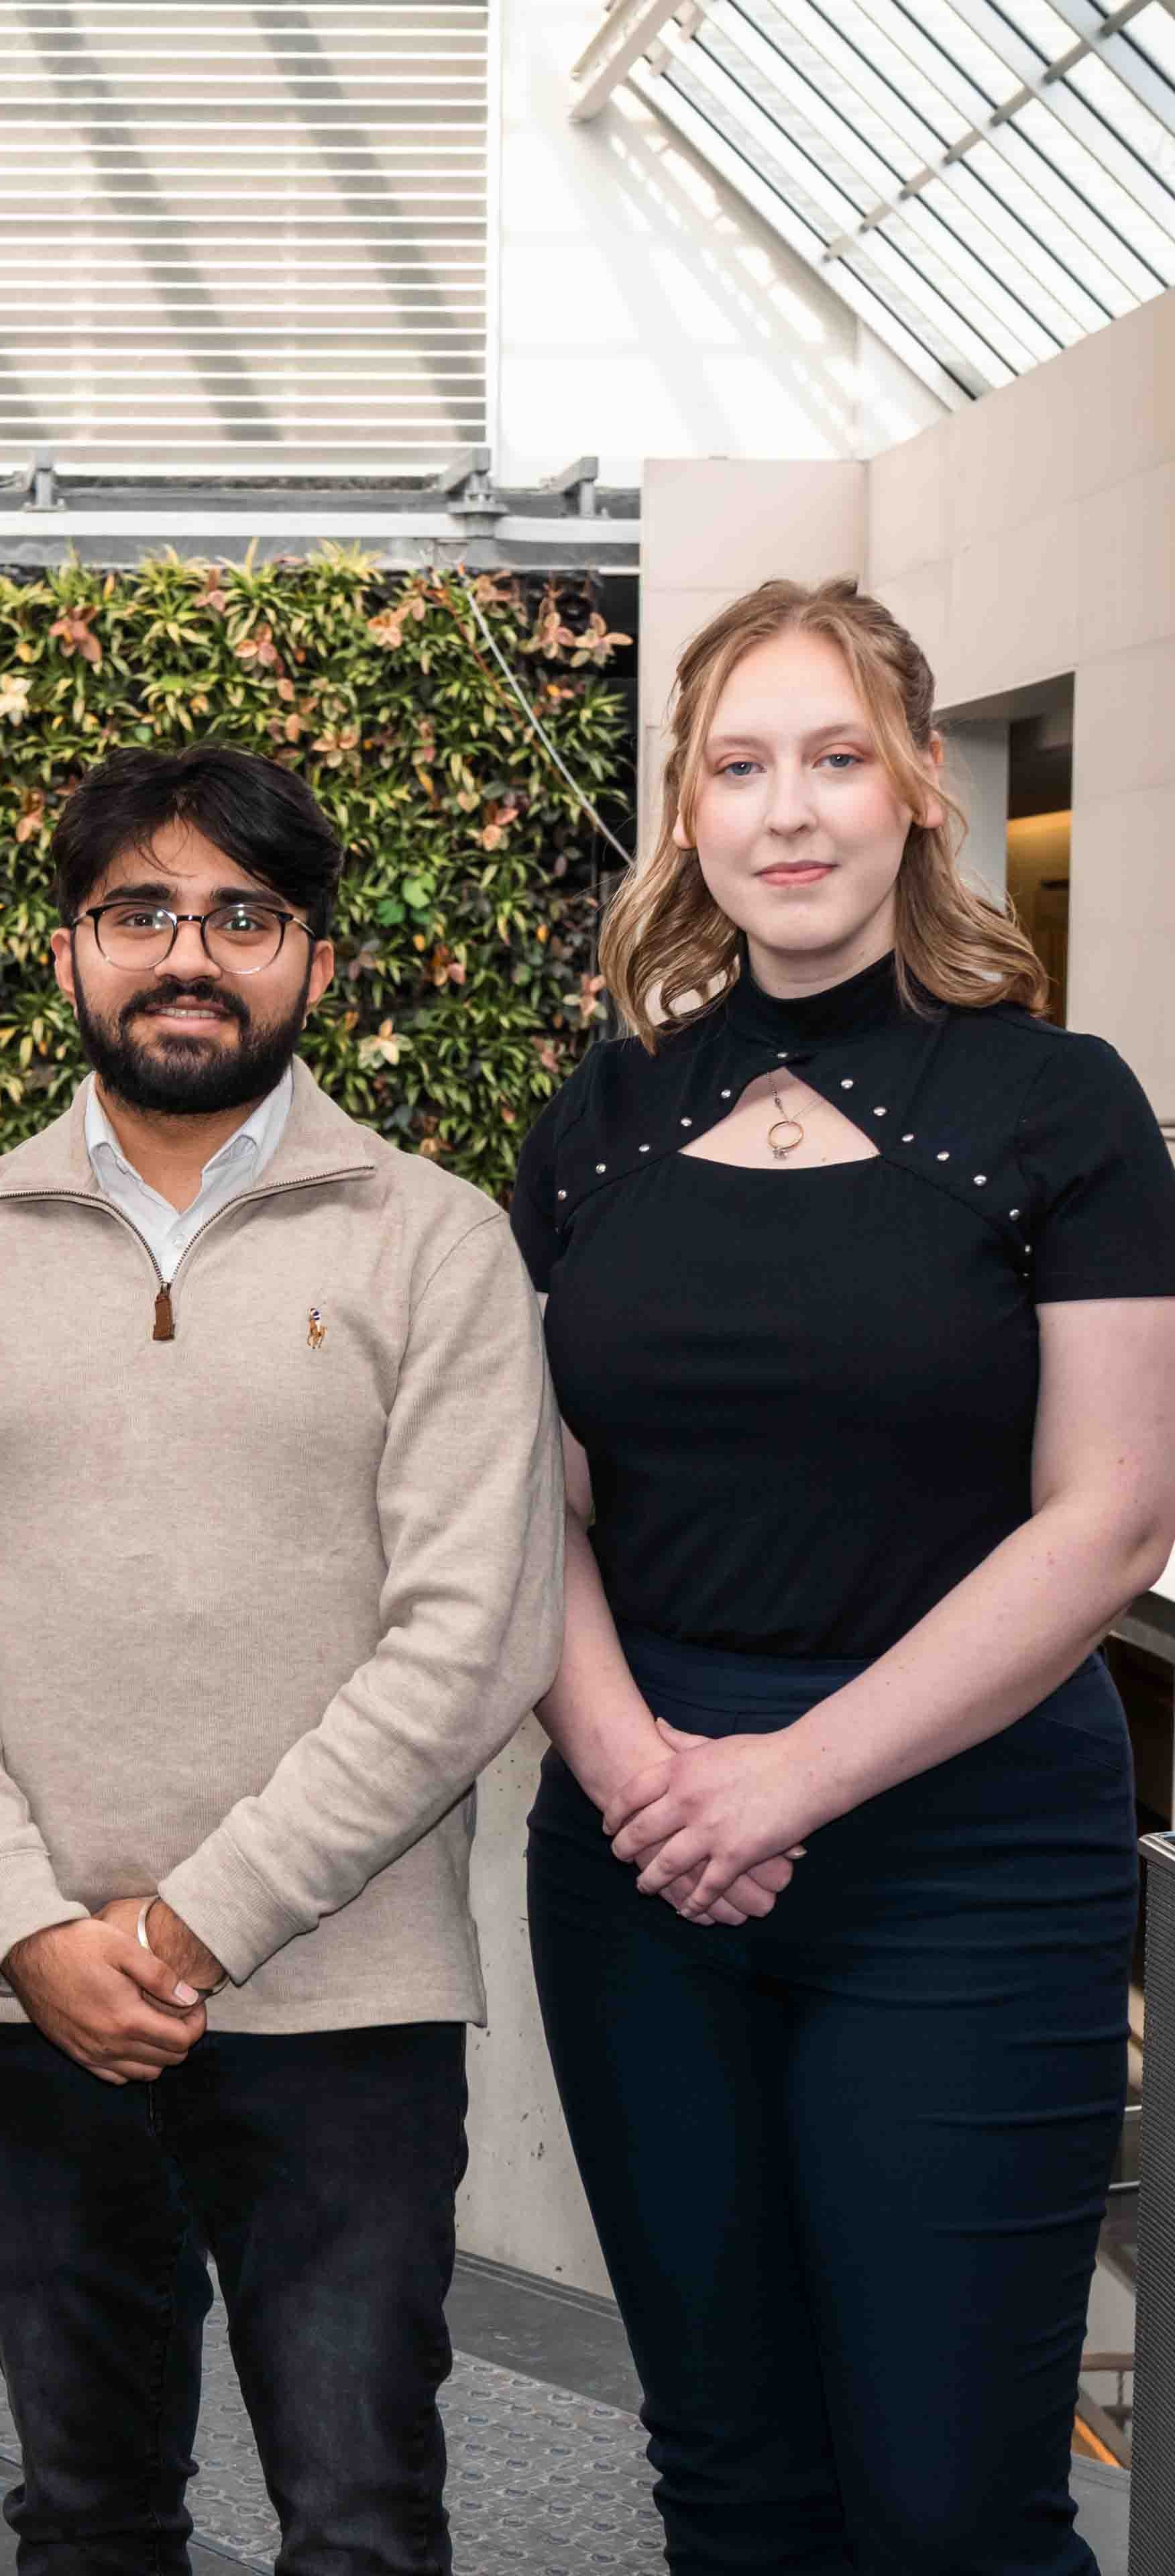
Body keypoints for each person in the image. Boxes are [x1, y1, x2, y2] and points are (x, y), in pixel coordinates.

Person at [0, 742, 564, 2576]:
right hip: (40, 2003)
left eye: (244, 914)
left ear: (317, 961)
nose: (189, 953)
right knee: (86, 2516)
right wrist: (36, 1933)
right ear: (68, 949)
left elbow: (472, 1639)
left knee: (362, 2520)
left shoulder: (440, 1244)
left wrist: (192, 1924)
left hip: (348, 2012)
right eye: (139, 909)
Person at [513, 578, 1175, 2573]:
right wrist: (644, 1773)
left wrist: (784, 1783)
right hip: (641, 1857)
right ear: (687, 813)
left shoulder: (1064, 1108)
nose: (785, 811)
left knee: (950, 2506)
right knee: (732, 2488)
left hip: (968, 1854)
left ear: (912, 798)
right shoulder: (596, 1122)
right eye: (737, 767)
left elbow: (1112, 1516)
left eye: (831, 761)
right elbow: (522, 1502)